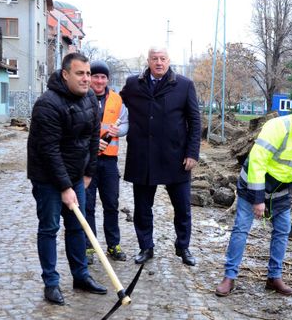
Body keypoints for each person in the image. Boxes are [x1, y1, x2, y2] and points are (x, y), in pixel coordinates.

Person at [215, 99, 292, 297]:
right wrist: (258, 198)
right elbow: (258, 161)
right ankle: (229, 277)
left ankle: (274, 277)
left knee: (282, 230)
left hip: (281, 189)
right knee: (242, 228)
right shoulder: (278, 127)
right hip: (253, 183)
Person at [27, 52, 107, 305]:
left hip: (75, 176)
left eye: (88, 73)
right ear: (65, 74)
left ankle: (81, 276)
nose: (86, 79)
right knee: (49, 228)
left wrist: (87, 173)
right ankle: (51, 283)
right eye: (79, 74)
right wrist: (63, 186)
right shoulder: (47, 104)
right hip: (47, 178)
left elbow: (94, 139)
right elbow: (48, 150)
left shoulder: (91, 100)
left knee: (77, 227)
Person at [120, 46, 201, 267]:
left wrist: (192, 153)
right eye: (154, 58)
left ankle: (183, 246)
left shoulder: (183, 85)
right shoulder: (132, 84)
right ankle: (146, 247)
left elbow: (195, 121)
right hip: (143, 156)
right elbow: (116, 105)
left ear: (168, 60)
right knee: (142, 207)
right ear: (147, 61)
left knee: (183, 207)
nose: (158, 62)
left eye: (162, 58)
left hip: (175, 157)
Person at [84, 60, 129, 265]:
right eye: (96, 76)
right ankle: (89, 246)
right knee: (88, 206)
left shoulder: (117, 100)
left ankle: (113, 244)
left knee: (111, 204)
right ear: (90, 77)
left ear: (107, 79)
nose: (99, 81)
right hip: (87, 160)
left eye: (103, 77)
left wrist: (117, 131)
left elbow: (126, 123)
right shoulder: (82, 98)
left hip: (109, 161)